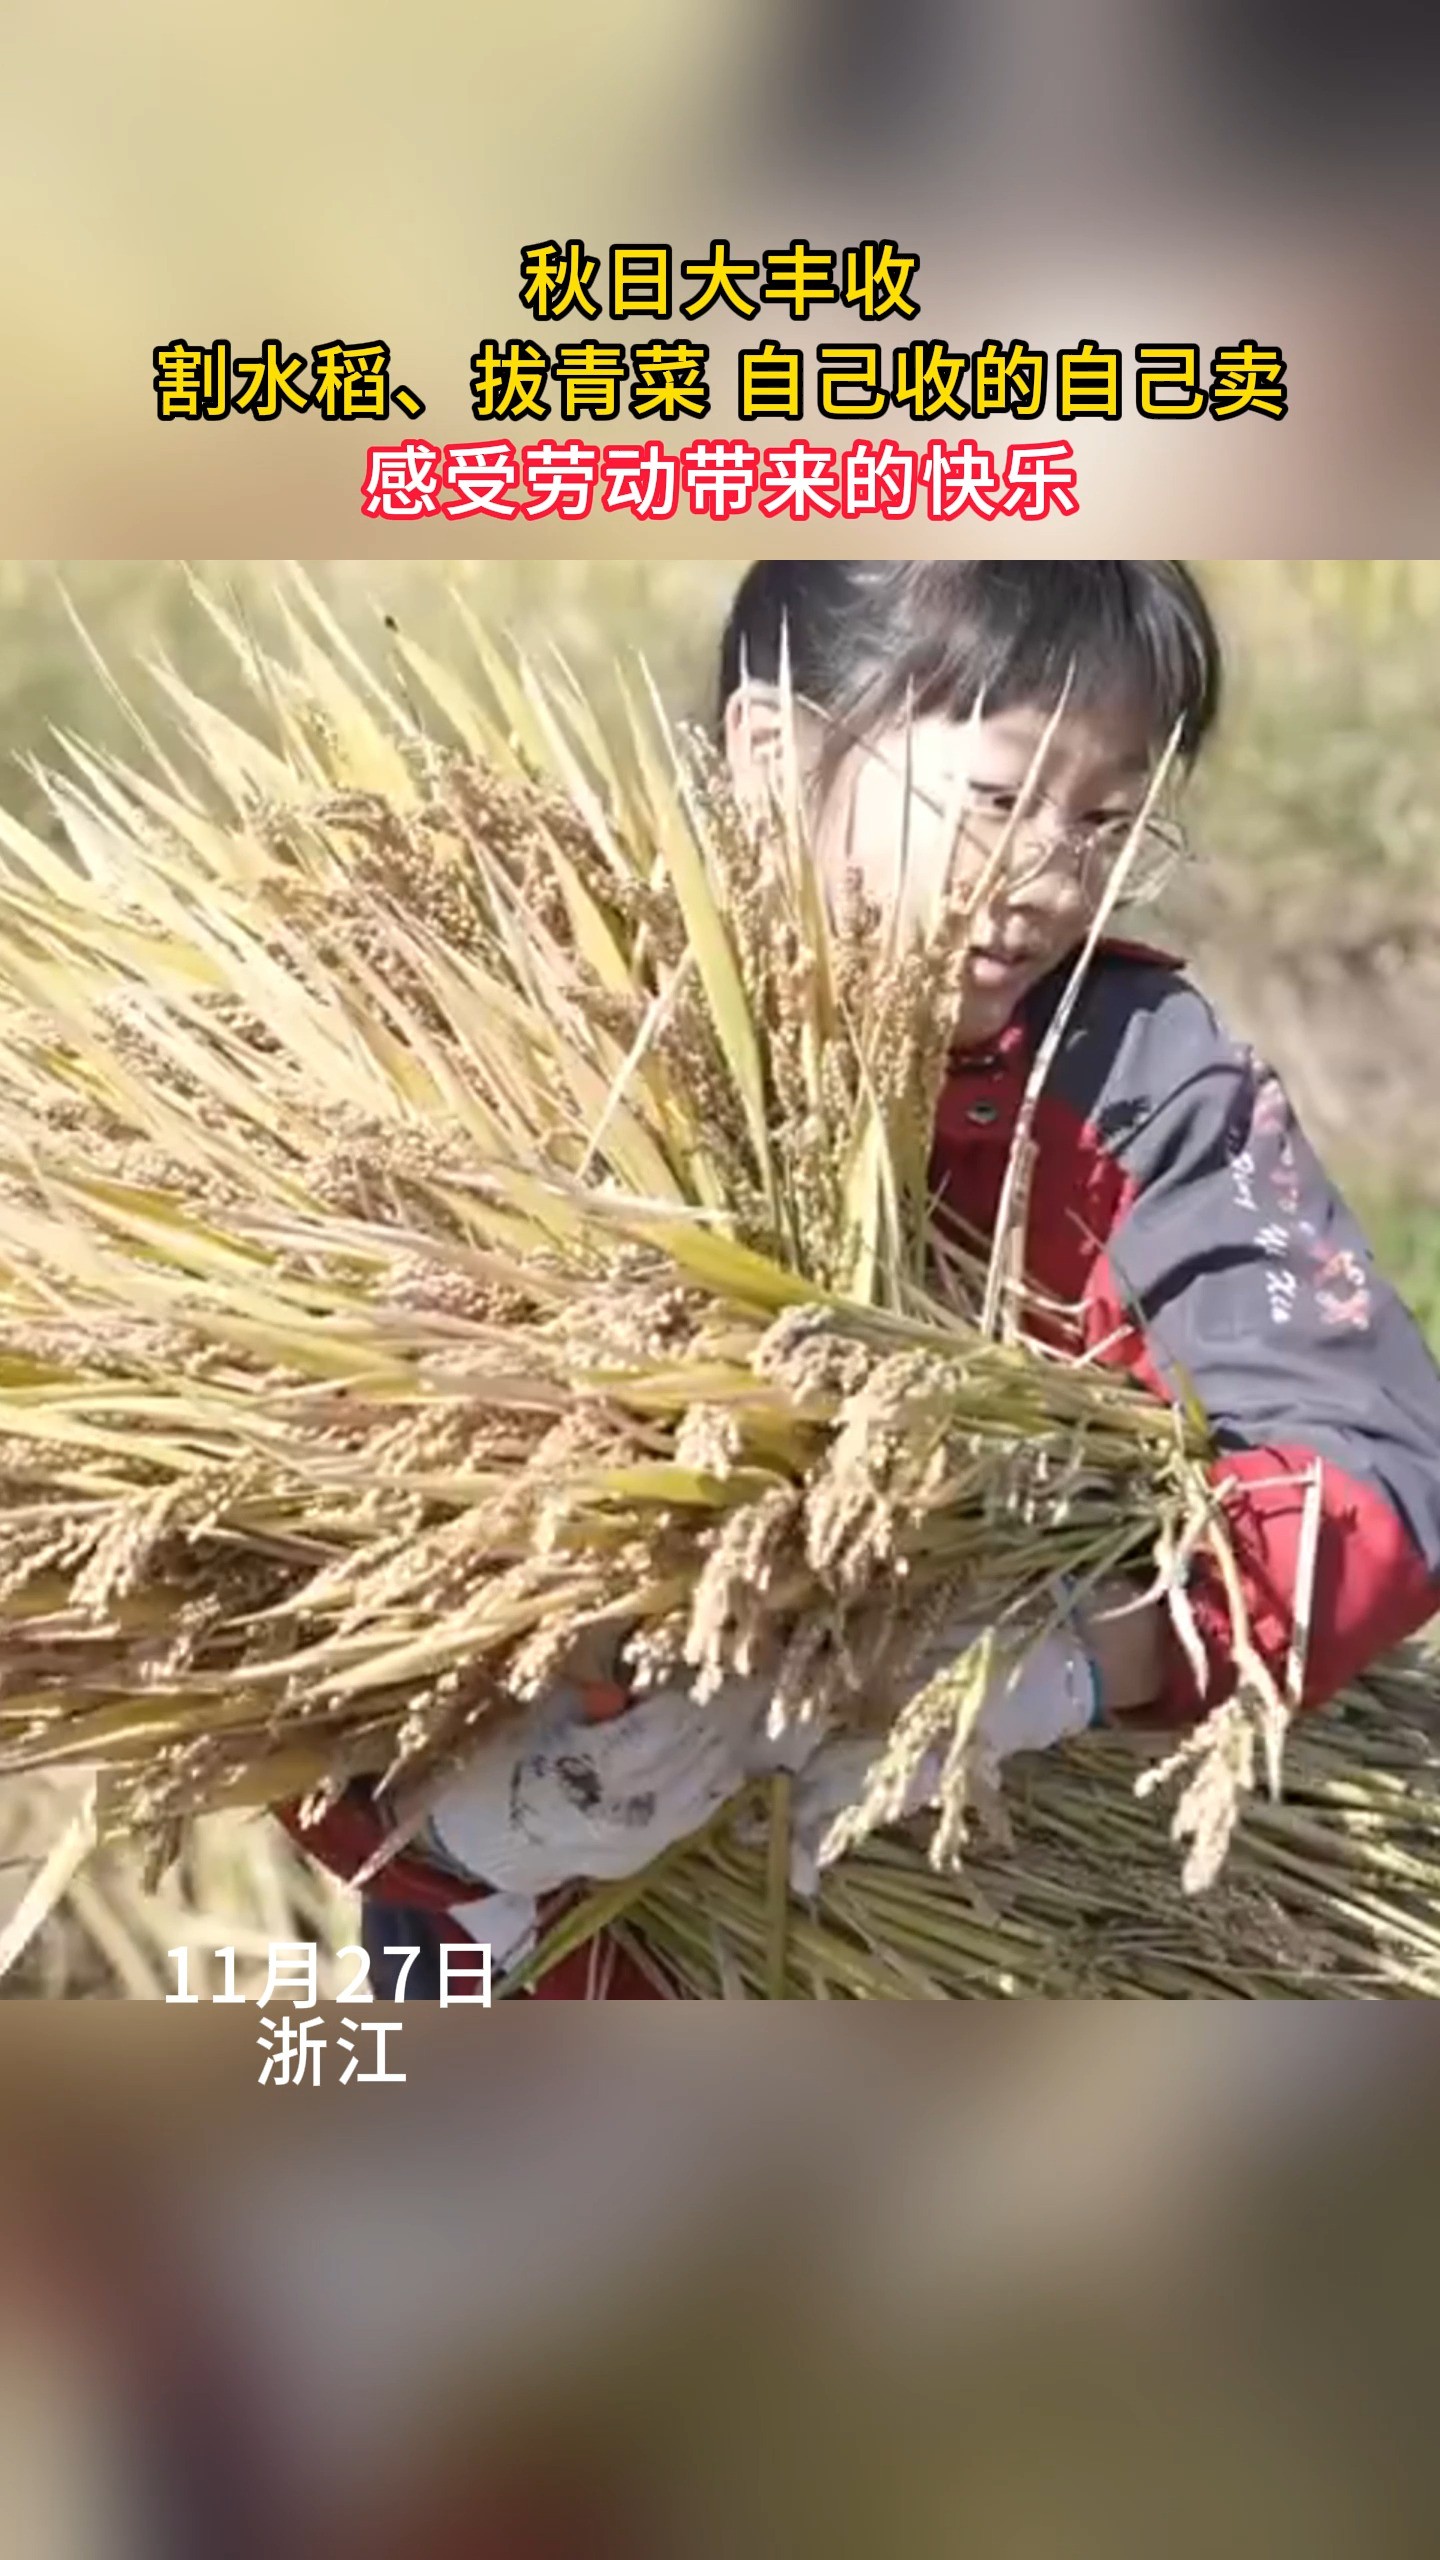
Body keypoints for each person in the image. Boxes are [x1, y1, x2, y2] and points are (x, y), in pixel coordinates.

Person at [283, 560, 1440, 1997]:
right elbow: (268, 1541)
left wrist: (1059, 1658)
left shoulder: (1136, 1076)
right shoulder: (527, 1040)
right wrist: (451, 1810)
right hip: (538, 1967)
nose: (1044, 879)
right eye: (999, 800)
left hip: (991, 1939)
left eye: (1103, 821)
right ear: (776, 753)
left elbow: (1370, 1481)